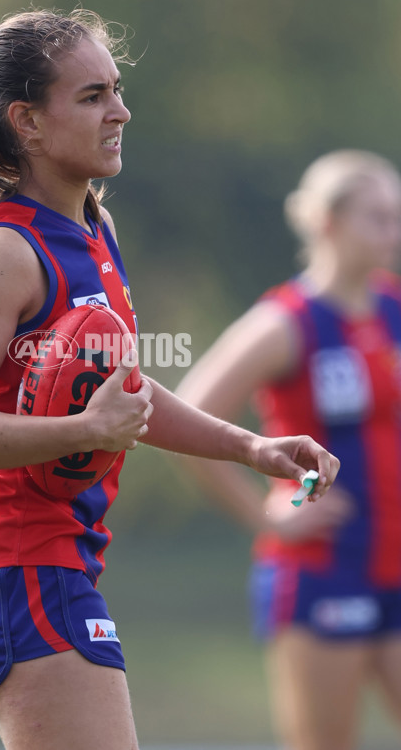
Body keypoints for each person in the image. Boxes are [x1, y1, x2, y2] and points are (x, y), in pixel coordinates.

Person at [0, 8, 339, 750]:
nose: (121, 110)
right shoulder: (4, 253)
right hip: (9, 560)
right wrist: (83, 431)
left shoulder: (93, 230)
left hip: (56, 555)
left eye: (116, 88)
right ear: (28, 123)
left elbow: (127, 393)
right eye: (91, 96)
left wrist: (251, 446)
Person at [176, 149, 401, 750]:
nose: (393, 234)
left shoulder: (394, 309)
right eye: (378, 218)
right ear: (329, 224)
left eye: (397, 217)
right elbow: (190, 416)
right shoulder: (287, 322)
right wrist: (263, 515)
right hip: (324, 569)